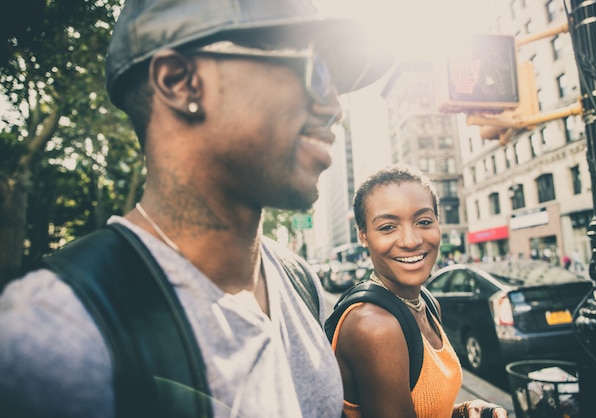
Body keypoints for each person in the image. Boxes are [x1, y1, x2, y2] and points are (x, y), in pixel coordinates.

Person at [0, 1, 393, 417]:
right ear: (180, 82)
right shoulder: (52, 334)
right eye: (316, 70)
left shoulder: (299, 281)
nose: (335, 108)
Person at [328, 164, 508, 418]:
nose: (411, 241)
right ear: (363, 236)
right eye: (388, 227)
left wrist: (461, 412)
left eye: (423, 221)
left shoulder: (427, 303)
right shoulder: (375, 327)